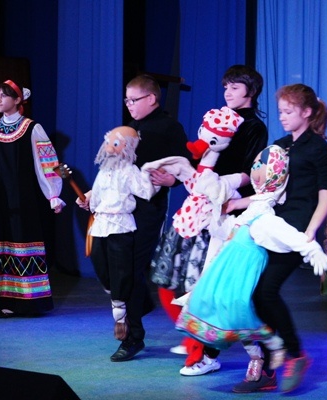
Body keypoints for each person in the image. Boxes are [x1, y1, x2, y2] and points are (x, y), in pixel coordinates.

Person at [150, 65, 270, 377]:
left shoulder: (254, 126)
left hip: (226, 210)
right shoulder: (218, 117)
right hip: (198, 206)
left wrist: (221, 189)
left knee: (208, 284)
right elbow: (199, 159)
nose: (228, 92)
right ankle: (196, 341)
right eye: (226, 86)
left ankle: (207, 351)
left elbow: (251, 172)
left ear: (251, 91)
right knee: (172, 278)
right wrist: (179, 177)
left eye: (235, 87)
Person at [176, 145, 327, 381]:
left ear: (274, 174)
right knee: (221, 307)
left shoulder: (264, 217)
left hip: (242, 272)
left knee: (242, 311)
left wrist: (312, 249)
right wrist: (211, 218)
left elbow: (285, 233)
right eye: (256, 164)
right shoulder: (254, 210)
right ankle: (256, 351)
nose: (256, 168)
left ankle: (271, 352)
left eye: (262, 165)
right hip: (228, 270)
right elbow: (231, 229)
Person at [232, 83, 327, 394]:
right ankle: (269, 366)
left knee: (266, 291)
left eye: (289, 111)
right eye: (280, 112)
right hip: (271, 226)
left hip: (295, 231)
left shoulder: (320, 150)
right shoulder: (279, 146)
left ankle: (294, 355)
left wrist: (309, 234)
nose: (283, 117)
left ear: (307, 112)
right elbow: (267, 191)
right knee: (254, 293)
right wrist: (235, 203)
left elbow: (325, 198)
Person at [107, 74, 192, 362]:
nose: (129, 105)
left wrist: (172, 180)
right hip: (121, 208)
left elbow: (185, 165)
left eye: (134, 99)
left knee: (131, 267)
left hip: (148, 209)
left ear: (152, 99)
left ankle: (132, 337)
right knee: (116, 267)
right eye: (127, 100)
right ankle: (138, 305)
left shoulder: (169, 127)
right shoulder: (130, 128)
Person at [0, 79, 65, 317]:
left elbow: (47, 163)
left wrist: (53, 194)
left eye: (4, 95)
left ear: (18, 99)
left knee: (23, 242)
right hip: (0, 198)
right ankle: (2, 299)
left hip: (25, 198)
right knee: (1, 244)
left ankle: (28, 301)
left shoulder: (32, 128)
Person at [76, 126, 159, 347]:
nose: (109, 148)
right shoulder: (104, 171)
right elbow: (97, 194)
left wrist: (151, 175)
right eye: (108, 142)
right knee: (101, 267)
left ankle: (120, 316)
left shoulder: (130, 171)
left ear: (128, 147)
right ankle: (123, 299)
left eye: (115, 143)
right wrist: (87, 200)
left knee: (120, 271)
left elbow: (146, 191)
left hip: (120, 225)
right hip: (101, 224)